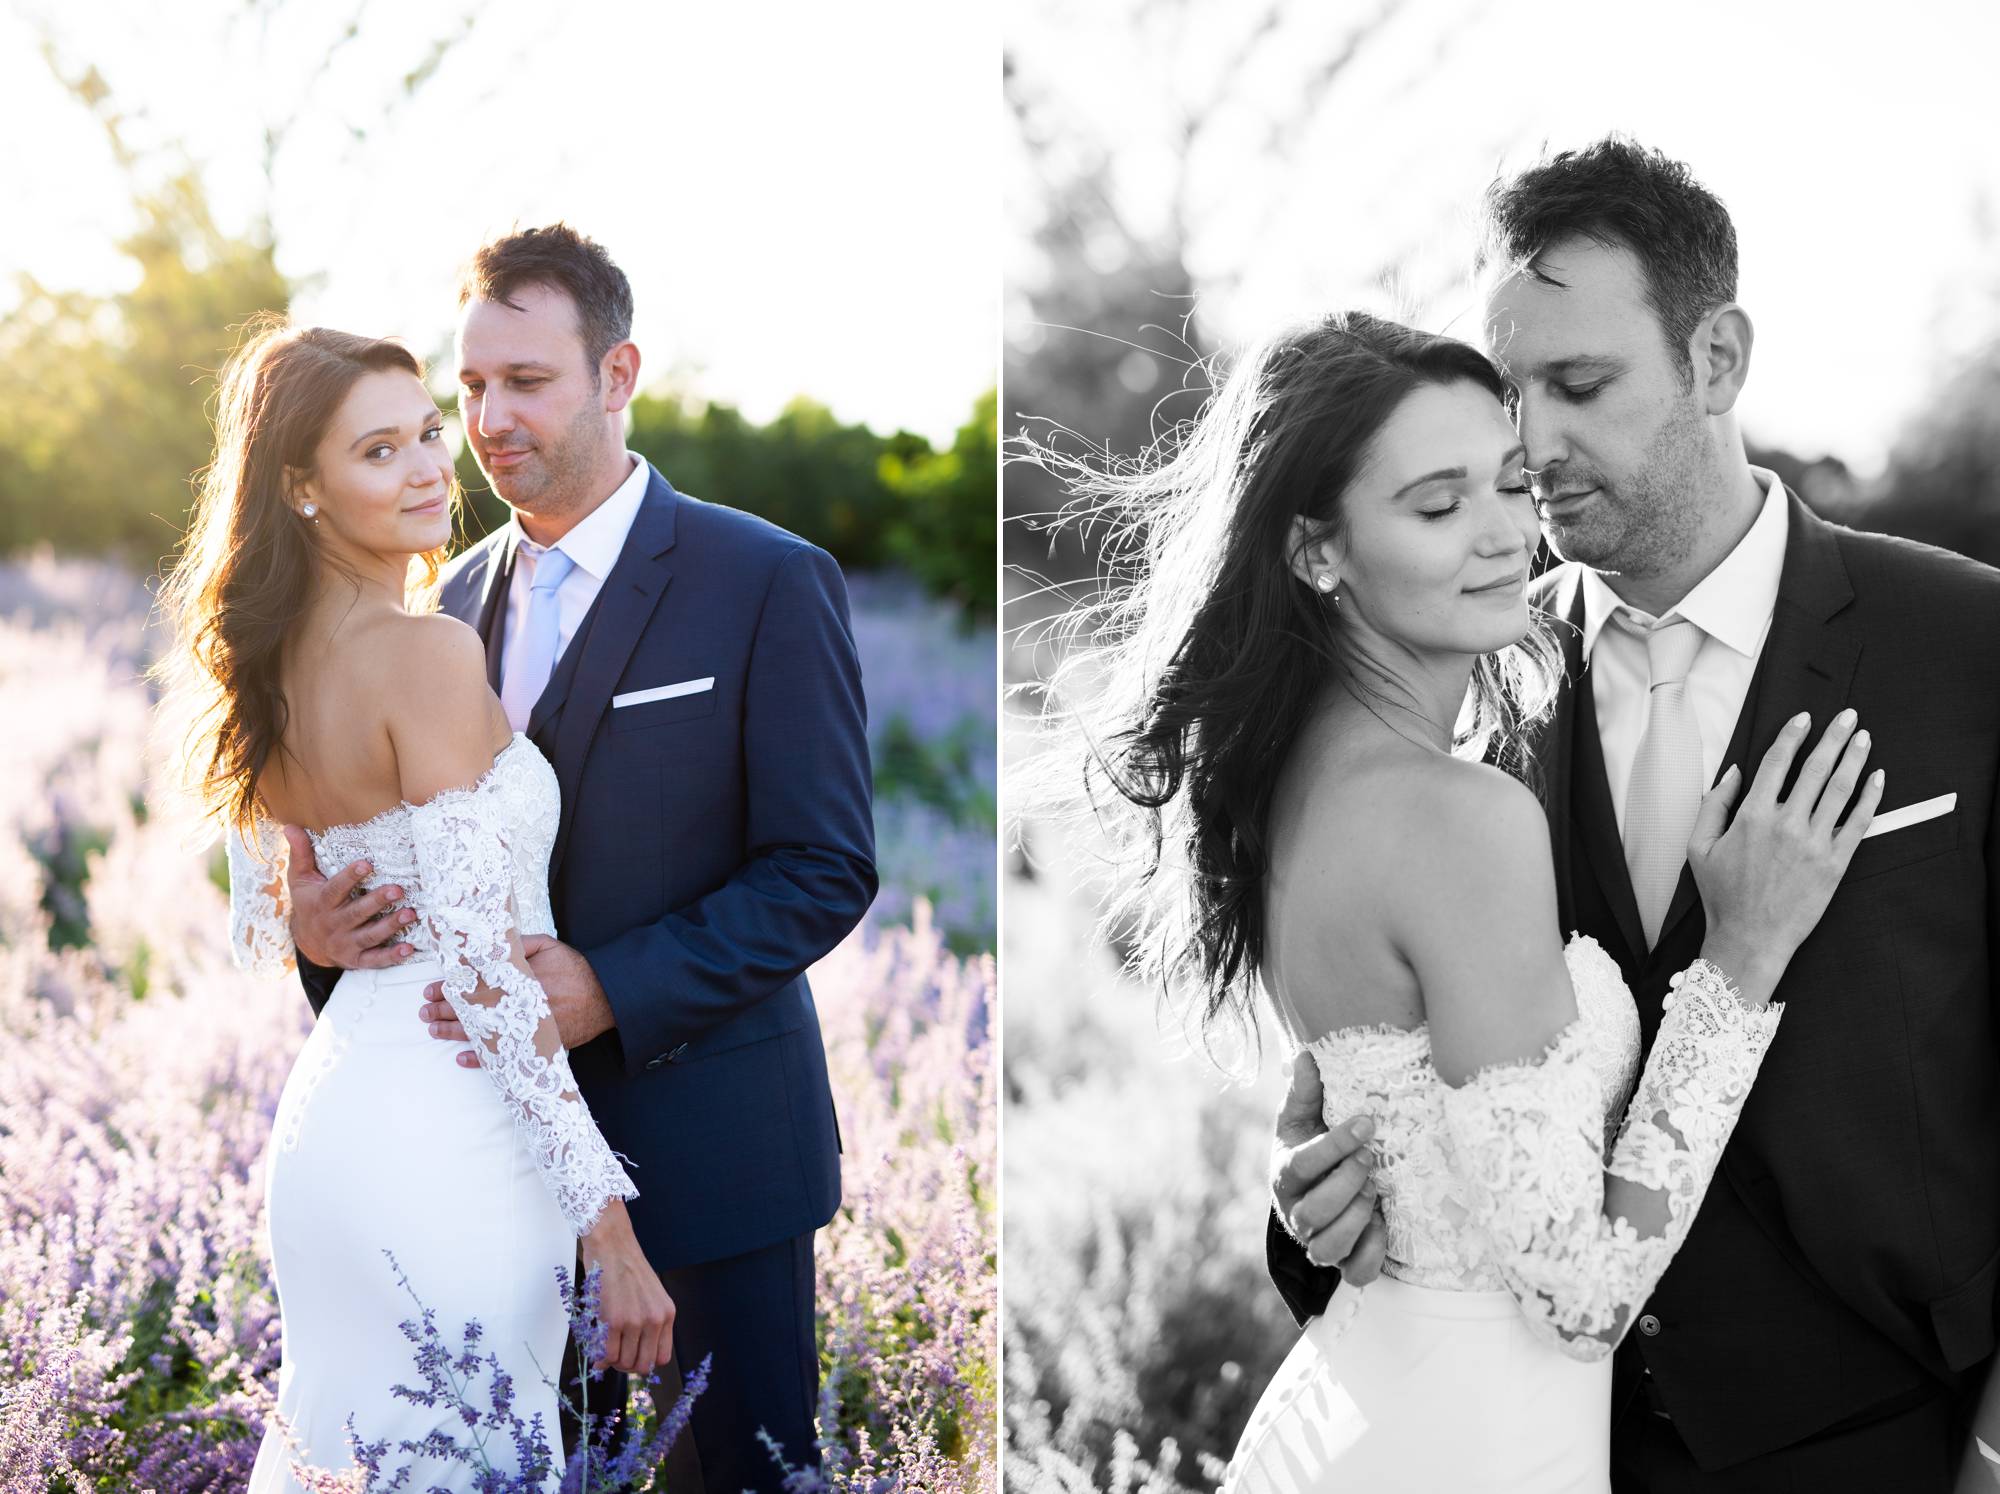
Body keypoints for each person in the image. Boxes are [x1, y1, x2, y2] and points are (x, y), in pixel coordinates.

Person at [1266, 139, 2000, 1491]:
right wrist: (1314, 1202)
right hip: (1548, 1440)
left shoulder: (1970, 643)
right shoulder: (1461, 676)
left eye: (1581, 384)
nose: (1532, 442)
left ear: (1716, 361)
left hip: (1889, 1439)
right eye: (1511, 394)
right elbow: (1420, 1087)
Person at [166, 317, 670, 1491]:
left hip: (337, 1124)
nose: (432, 467)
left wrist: (308, 918)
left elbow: (278, 903)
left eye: (428, 433)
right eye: (378, 451)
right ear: (301, 487)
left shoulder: (267, 665)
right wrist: (612, 1232)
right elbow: (487, 980)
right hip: (453, 1136)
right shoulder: (427, 653)